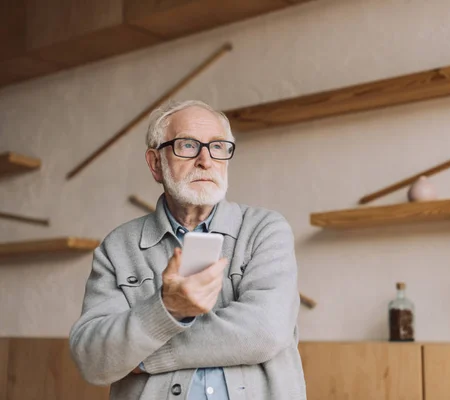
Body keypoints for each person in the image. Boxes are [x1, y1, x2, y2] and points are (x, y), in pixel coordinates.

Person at [69, 100, 306, 400]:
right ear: (156, 164)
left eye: (218, 147)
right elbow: (91, 359)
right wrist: (167, 309)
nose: (206, 160)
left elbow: (265, 331)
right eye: (188, 145)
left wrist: (142, 358)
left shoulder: (266, 229)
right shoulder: (117, 248)